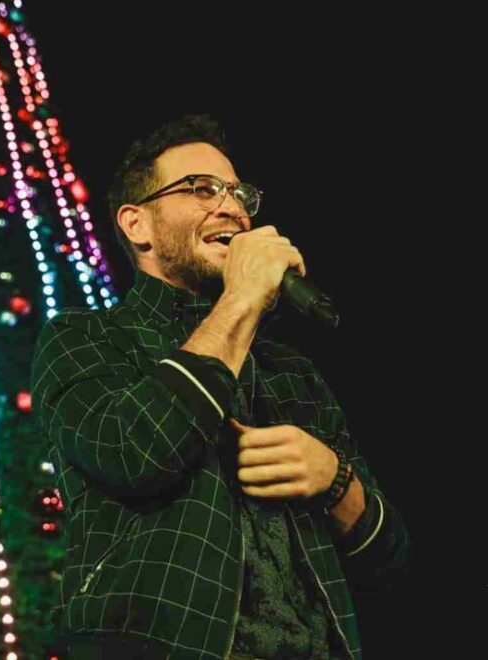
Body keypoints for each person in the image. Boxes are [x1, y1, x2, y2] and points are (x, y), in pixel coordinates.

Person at [30, 115, 410, 659]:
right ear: (137, 225)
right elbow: (135, 452)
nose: (231, 207)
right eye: (201, 189)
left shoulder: (292, 372)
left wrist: (335, 481)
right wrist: (244, 297)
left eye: (238, 193)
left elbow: (391, 564)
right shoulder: (84, 337)